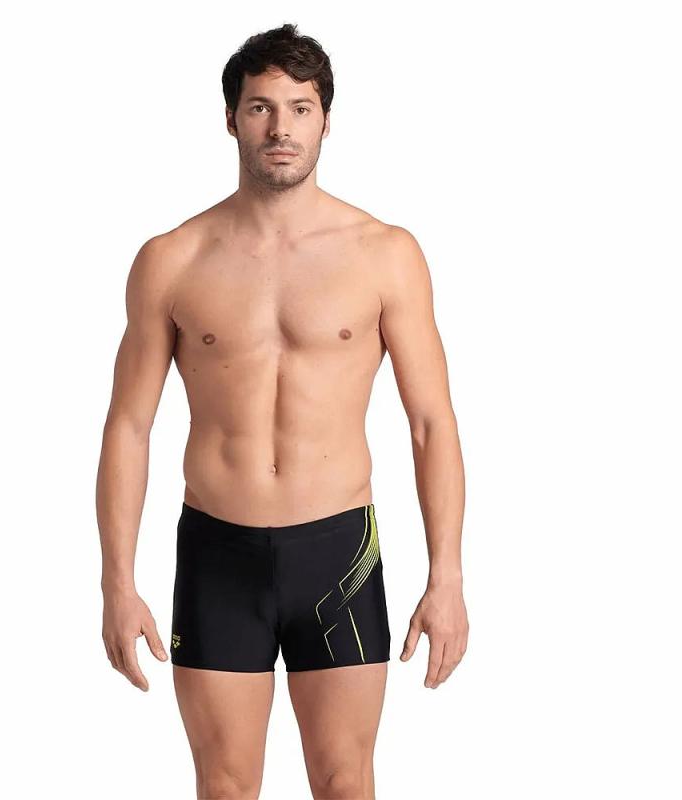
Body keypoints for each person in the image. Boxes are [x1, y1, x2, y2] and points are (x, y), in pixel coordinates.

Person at [96, 22, 469, 800]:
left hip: (338, 552)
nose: (281, 128)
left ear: (327, 121)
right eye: (261, 108)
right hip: (217, 553)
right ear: (231, 119)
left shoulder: (384, 253)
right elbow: (129, 427)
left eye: (300, 109)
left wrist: (447, 577)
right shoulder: (172, 259)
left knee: (344, 782)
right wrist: (117, 583)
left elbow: (431, 423)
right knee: (225, 786)